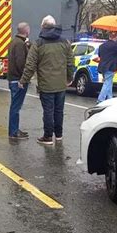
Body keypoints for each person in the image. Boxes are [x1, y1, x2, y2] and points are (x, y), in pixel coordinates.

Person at [19, 15, 74, 145]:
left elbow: (30, 65)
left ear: (43, 26)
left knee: (48, 111)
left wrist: (23, 80)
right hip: (61, 84)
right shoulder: (65, 42)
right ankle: (59, 135)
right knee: (59, 110)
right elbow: (70, 62)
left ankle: (48, 136)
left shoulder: (38, 43)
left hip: (46, 84)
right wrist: (69, 78)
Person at [7, 22, 31, 140]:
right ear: (26, 31)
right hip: (18, 80)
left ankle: (15, 129)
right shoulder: (20, 44)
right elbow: (21, 62)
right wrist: (24, 77)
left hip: (13, 79)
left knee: (15, 106)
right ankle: (13, 132)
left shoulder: (14, 42)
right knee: (16, 107)